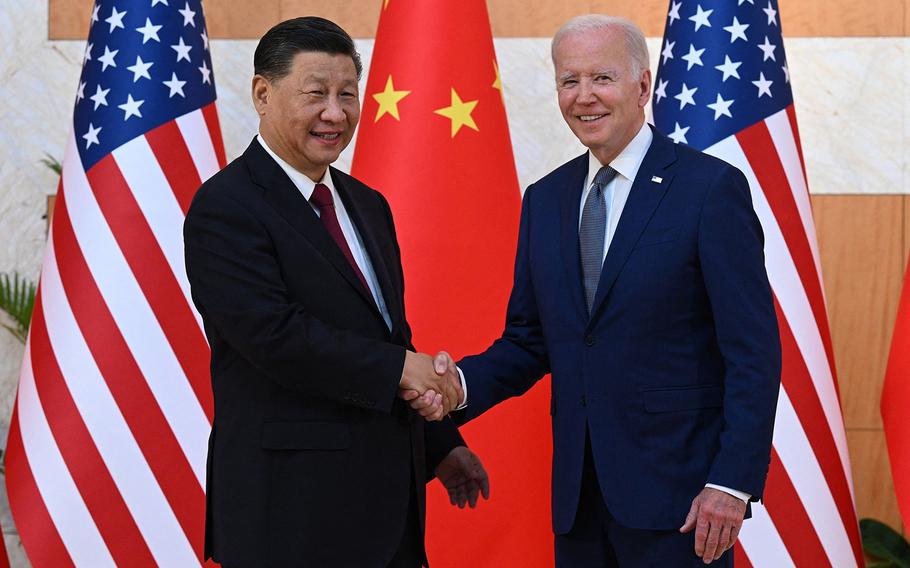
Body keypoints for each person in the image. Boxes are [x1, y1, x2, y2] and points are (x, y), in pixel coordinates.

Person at [408, 14, 780, 567]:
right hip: (579, 504)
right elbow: (530, 340)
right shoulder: (546, 199)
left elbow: (753, 351)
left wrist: (731, 483)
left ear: (643, 85)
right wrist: (457, 387)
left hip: (684, 504)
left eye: (602, 78)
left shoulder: (709, 190)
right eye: (569, 81)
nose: (584, 97)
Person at [184, 16, 487, 568]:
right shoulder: (225, 207)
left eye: (348, 94)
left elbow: (387, 333)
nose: (336, 113)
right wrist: (400, 367)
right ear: (262, 93)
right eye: (316, 94)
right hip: (290, 514)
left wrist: (441, 445)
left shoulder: (367, 203)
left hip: (387, 510)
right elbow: (274, 337)